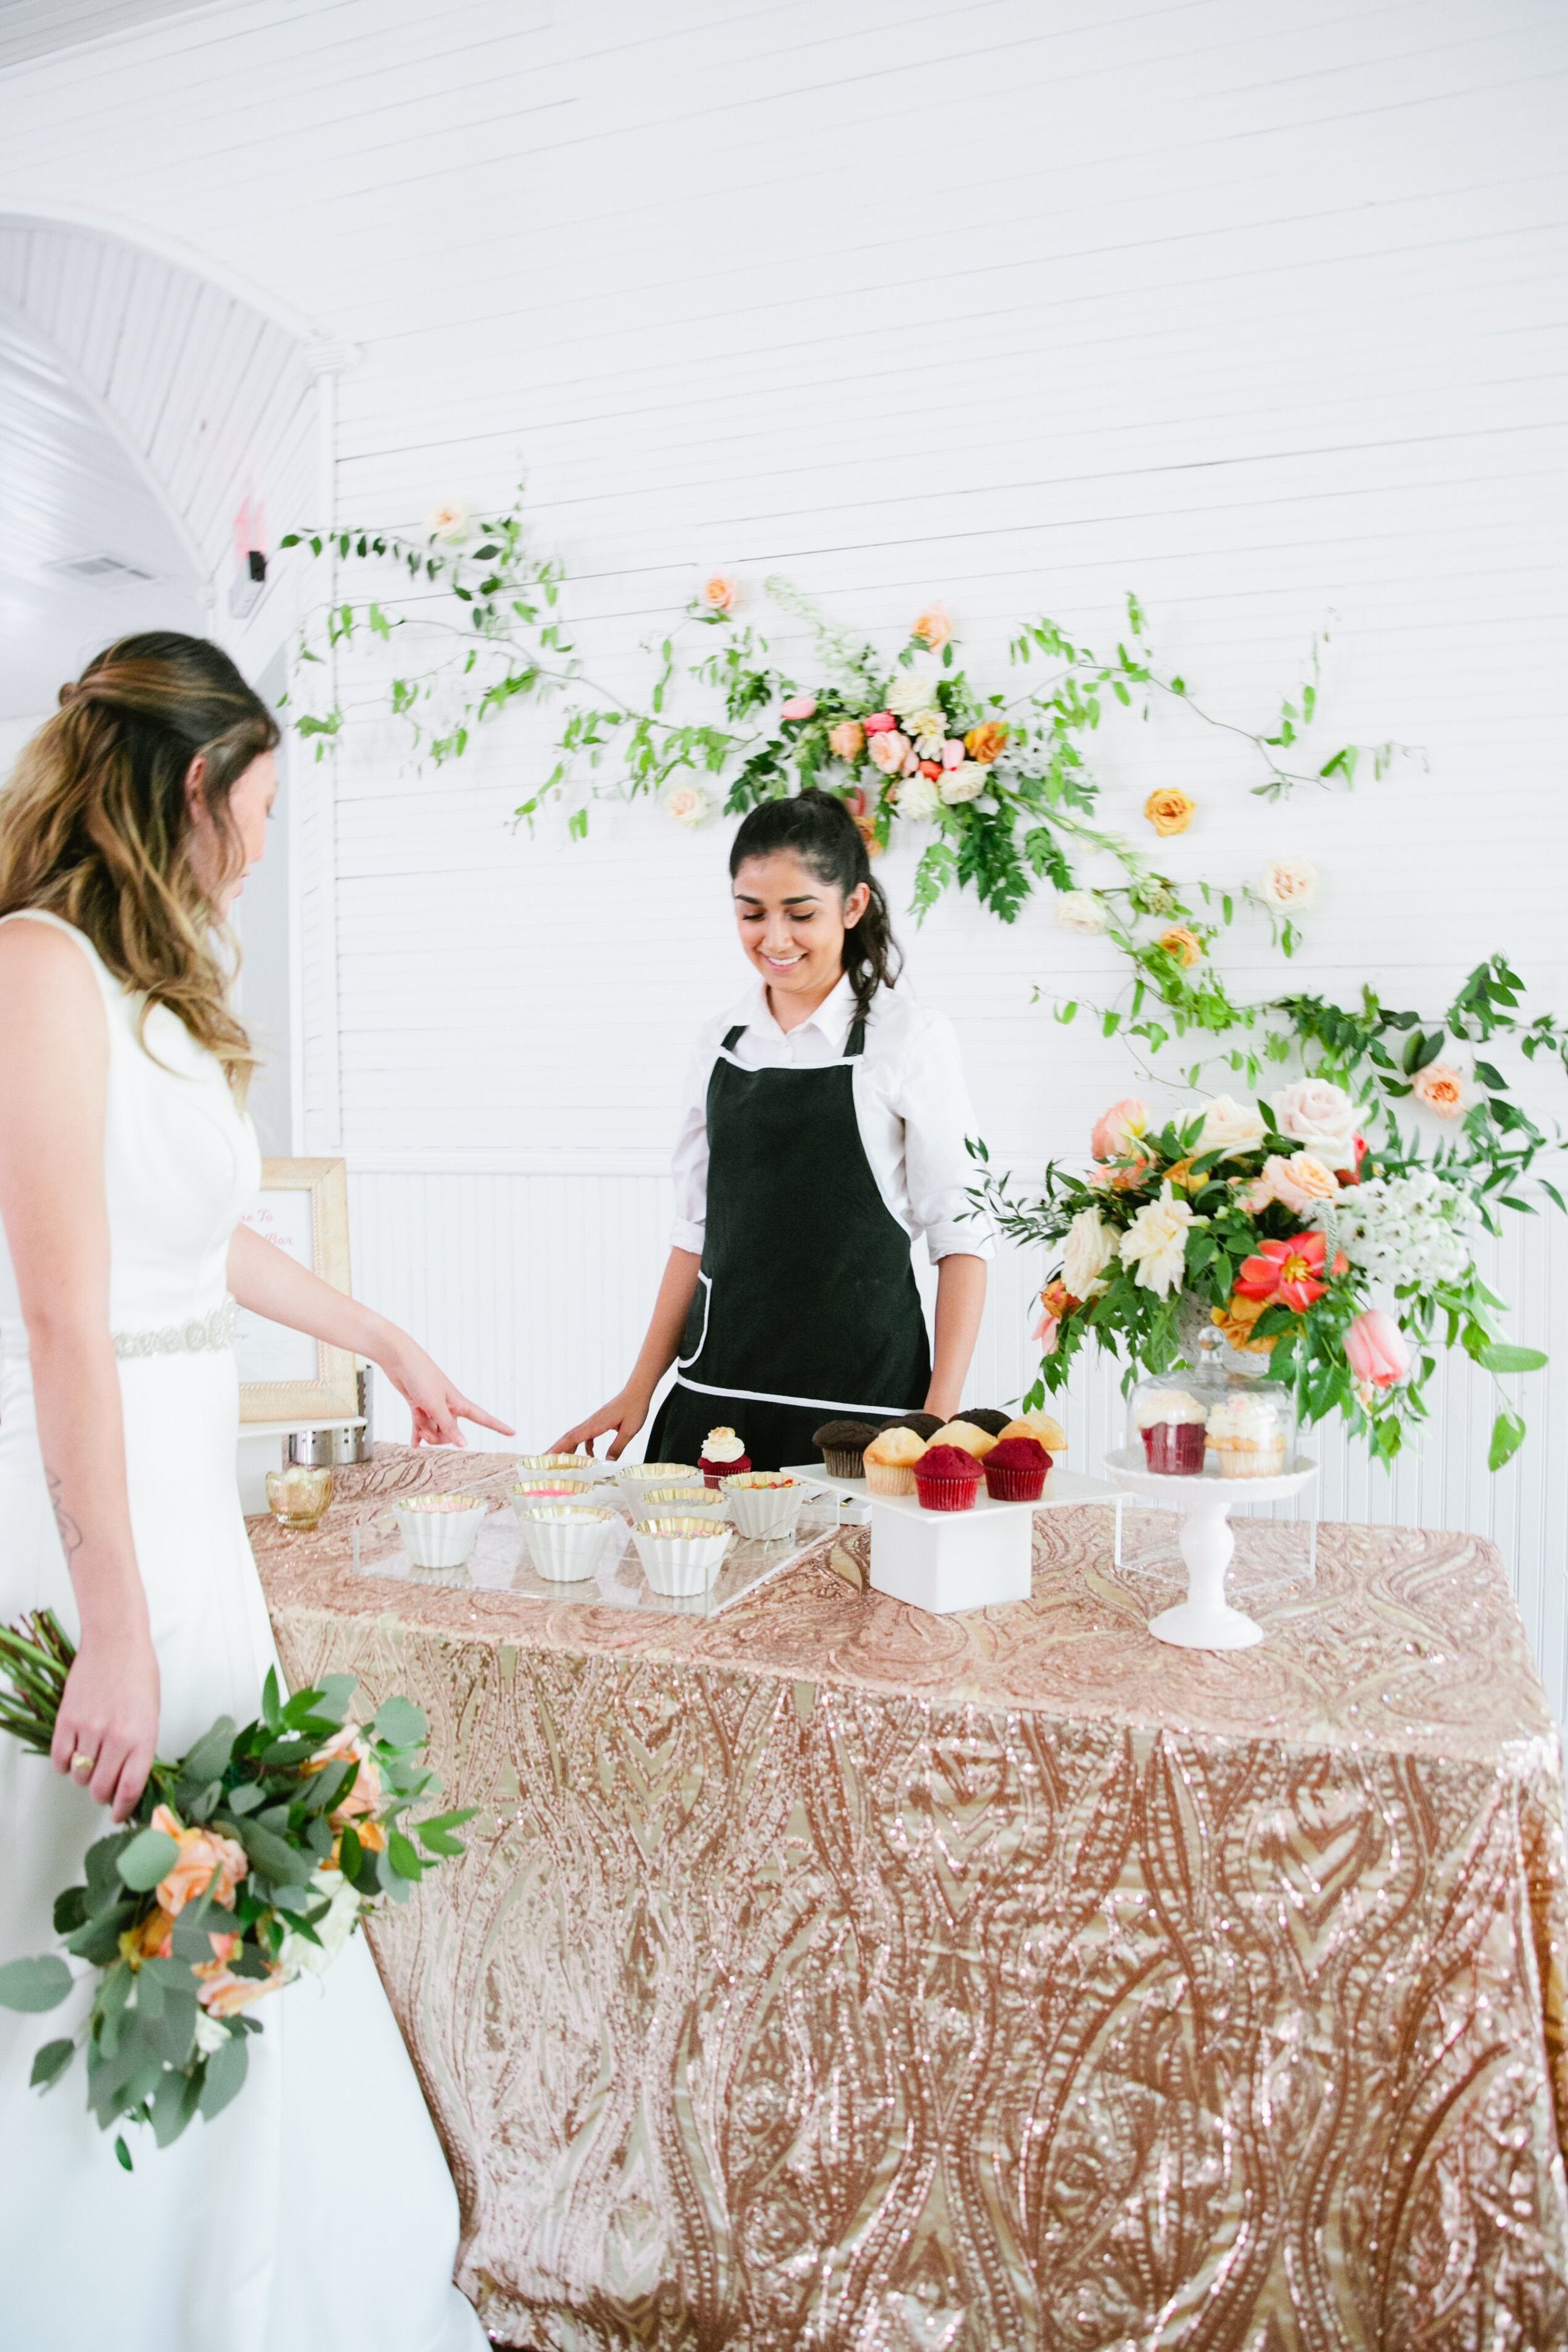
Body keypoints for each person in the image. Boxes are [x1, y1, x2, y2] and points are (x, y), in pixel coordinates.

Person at [0, 634, 506, 2351]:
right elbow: (67, 1306)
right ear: (198, 783)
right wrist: (115, 1619)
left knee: (212, 1876)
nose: (271, 840)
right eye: (268, 802)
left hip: (187, 1507)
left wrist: (386, 1338)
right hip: (93, 1511)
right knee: (91, 1870)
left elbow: (197, 1235)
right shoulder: (36, 966)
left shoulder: (154, 980)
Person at [556, 789, 993, 1471]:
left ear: (852, 906)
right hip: (717, 1396)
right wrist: (638, 1389)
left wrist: (934, 1420)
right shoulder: (721, 1044)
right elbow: (695, 1232)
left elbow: (962, 1236)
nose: (775, 939)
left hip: (866, 1410)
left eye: (801, 913)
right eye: (751, 913)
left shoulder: (909, 1039)